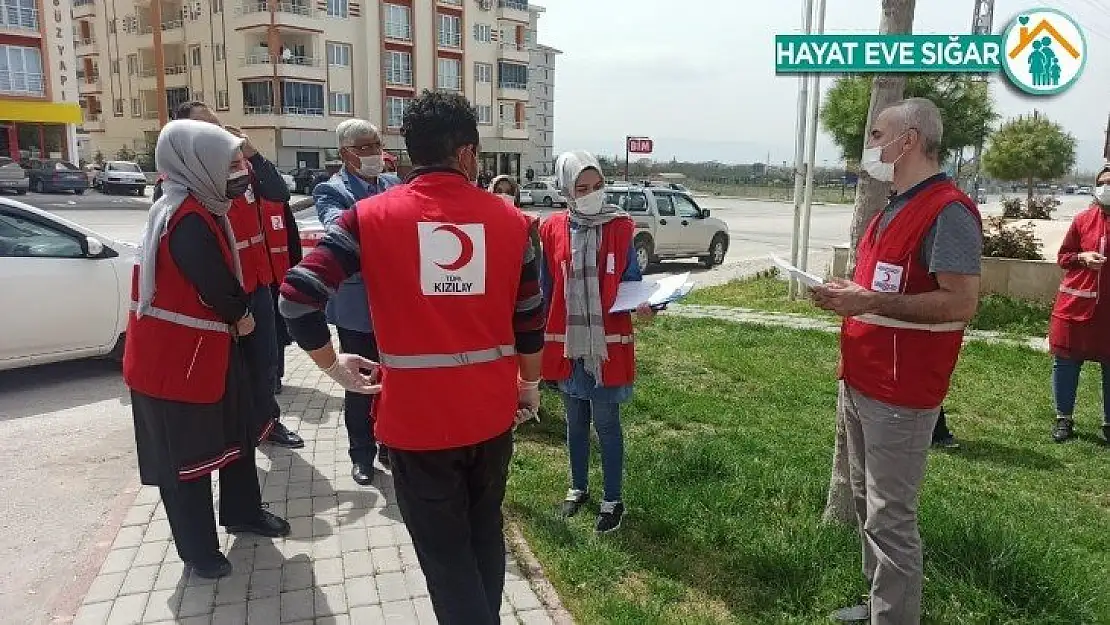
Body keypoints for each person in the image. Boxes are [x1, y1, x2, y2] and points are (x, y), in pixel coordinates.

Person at [280, 90, 545, 625]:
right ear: (468, 155)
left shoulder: (365, 218)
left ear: (406, 151)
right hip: (491, 416)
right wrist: (530, 385)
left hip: (415, 423)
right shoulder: (515, 223)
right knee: (484, 532)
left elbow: (296, 296)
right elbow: (530, 320)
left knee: (444, 554)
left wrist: (332, 366)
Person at [811, 97, 982, 624]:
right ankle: (882, 605)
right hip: (862, 378)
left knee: (891, 518)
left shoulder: (948, 210)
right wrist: (847, 293)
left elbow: (960, 301)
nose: (872, 146)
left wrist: (871, 302)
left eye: (879, 134)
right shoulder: (894, 204)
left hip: (900, 390)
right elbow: (882, 282)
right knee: (866, 504)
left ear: (908, 141)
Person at [123, 120, 290, 579]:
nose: (241, 173)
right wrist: (240, 314)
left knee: (238, 435)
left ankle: (242, 512)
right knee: (186, 463)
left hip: (210, 351)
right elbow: (213, 282)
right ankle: (198, 551)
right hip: (177, 362)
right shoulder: (184, 217)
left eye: (241, 163)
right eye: (232, 165)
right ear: (199, 165)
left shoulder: (203, 204)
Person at [155, 100, 304, 449]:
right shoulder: (181, 182)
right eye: (205, 128)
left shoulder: (239, 168)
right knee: (228, 372)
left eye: (218, 125)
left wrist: (250, 152)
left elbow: (279, 194)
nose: (217, 133)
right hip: (218, 295)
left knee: (265, 363)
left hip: (257, 282)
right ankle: (234, 437)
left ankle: (268, 424)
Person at [539, 150, 657, 534]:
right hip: (570, 344)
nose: (592, 194)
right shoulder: (552, 228)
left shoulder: (621, 227)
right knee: (575, 422)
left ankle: (613, 499)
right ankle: (578, 488)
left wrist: (647, 305)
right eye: (582, 187)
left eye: (597, 185)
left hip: (608, 345)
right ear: (566, 189)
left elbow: (633, 281)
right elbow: (547, 288)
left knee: (606, 423)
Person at [312, 119, 401, 485]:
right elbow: (342, 231)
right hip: (357, 307)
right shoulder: (331, 191)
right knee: (362, 383)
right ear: (345, 153)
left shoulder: (395, 184)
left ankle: (389, 443)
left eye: (377, 144)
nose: (373, 153)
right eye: (364, 147)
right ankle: (361, 454)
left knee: (394, 380)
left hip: (396, 304)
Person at [1048, 165, 1110, 445]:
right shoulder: (1083, 220)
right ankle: (1064, 419)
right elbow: (1064, 257)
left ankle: (1108, 423)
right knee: (1066, 363)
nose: (1106, 188)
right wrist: (1082, 257)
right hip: (1075, 308)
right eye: (1103, 183)